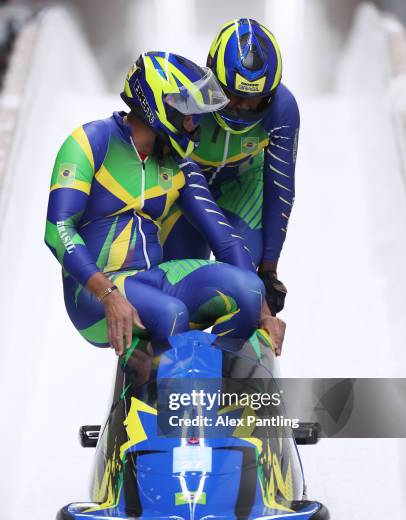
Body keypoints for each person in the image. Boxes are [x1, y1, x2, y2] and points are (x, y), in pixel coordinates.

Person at [45, 51, 265, 356]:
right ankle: (166, 394)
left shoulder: (179, 165)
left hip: (151, 281)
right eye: (188, 114)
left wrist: (265, 314)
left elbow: (226, 242)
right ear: (161, 106)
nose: (193, 124)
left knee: (249, 290)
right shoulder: (89, 142)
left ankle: (222, 383)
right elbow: (58, 228)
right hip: (92, 294)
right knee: (170, 313)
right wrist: (108, 293)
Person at [161, 19, 300, 356]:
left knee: (246, 290)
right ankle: (161, 368)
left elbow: (280, 187)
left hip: (240, 189)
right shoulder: (185, 95)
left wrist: (269, 269)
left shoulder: (284, 108)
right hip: (185, 189)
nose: (242, 110)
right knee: (172, 293)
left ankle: (231, 370)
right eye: (233, 97)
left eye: (254, 102)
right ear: (212, 79)